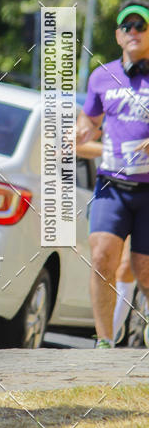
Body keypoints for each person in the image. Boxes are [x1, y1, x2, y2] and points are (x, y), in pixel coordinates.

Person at [76, 0, 149, 348]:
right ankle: (104, 344)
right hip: (111, 186)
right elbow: (89, 120)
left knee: (142, 267)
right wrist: (83, 130)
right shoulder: (101, 76)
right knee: (103, 256)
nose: (133, 31)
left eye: (141, 25)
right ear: (118, 35)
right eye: (127, 26)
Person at [77, 139, 134, 343]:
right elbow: (78, 143)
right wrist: (118, 150)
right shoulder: (114, 112)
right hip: (116, 192)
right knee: (107, 261)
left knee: (130, 266)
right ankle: (105, 342)